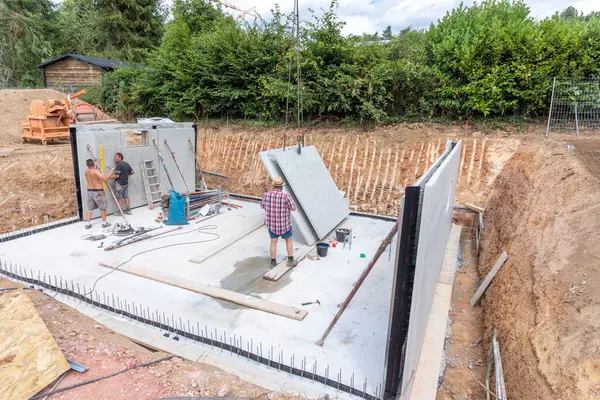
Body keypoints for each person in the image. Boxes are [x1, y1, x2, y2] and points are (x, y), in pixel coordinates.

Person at [260, 176, 299, 268]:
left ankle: (273, 262)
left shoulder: (266, 195)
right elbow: (293, 208)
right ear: (282, 186)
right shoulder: (285, 197)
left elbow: (262, 206)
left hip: (272, 225)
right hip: (284, 225)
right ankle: (290, 260)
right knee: (288, 241)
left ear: (273, 185)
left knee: (273, 242)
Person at [84, 159, 114, 229]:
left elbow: (93, 176)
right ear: (93, 164)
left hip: (89, 191)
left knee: (90, 208)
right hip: (98, 191)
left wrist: (96, 167)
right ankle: (104, 223)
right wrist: (111, 170)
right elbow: (105, 179)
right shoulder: (95, 171)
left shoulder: (86, 171)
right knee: (102, 208)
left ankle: (88, 224)